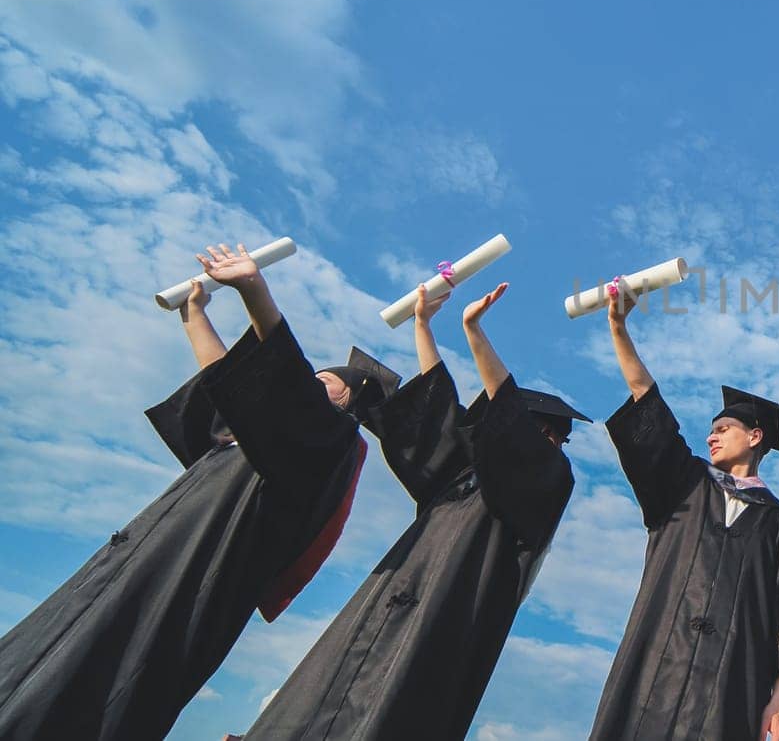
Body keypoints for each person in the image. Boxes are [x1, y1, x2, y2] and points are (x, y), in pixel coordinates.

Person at [0, 243, 378, 740]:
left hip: (193, 572)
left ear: (349, 401)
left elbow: (285, 383)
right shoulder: (260, 436)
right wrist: (193, 316)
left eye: (324, 381)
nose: (310, 380)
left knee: (98, 679)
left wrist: (254, 289)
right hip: (144, 552)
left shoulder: (332, 446)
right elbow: (227, 386)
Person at [241, 281, 579, 740]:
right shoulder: (463, 476)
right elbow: (437, 412)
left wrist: (474, 331)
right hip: (389, 595)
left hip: (447, 610)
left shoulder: (550, 477)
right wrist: (423, 325)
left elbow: (506, 420)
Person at [588, 279, 779, 741]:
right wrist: (619, 329)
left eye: (724, 427)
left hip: (731, 689)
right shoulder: (684, 484)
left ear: (755, 436)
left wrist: (777, 704)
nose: (712, 436)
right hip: (653, 670)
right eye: (711, 429)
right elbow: (647, 403)